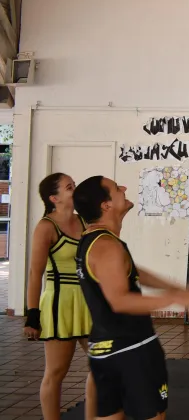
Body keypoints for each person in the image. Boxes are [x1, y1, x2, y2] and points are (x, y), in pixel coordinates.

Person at [73, 176, 189, 420]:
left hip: (104, 350)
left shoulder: (92, 241)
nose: (124, 187)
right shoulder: (108, 246)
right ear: (105, 205)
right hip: (132, 349)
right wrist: (174, 299)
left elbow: (130, 271)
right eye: (115, 188)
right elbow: (119, 300)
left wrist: (172, 286)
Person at [23, 173, 96, 420]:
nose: (75, 189)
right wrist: (33, 313)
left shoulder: (85, 221)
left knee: (103, 363)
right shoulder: (46, 227)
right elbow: (36, 273)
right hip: (59, 303)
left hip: (88, 301)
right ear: (54, 198)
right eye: (69, 187)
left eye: (74, 185)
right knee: (55, 372)